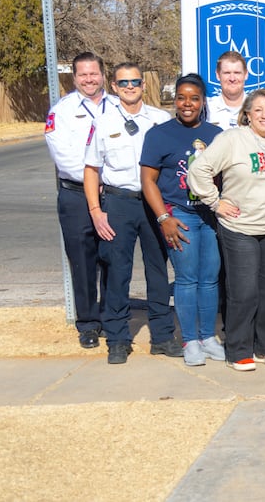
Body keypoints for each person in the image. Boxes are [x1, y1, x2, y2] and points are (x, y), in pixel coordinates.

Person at [83, 63, 179, 365]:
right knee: (117, 272)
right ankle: (117, 339)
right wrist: (96, 211)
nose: (130, 87)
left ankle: (162, 336)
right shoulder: (103, 122)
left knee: (158, 271)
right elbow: (91, 170)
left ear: (143, 85)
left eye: (135, 82)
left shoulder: (161, 120)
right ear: (114, 86)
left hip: (154, 203)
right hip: (118, 202)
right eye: (123, 82)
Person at [188, 89, 265, 372]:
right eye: (258, 110)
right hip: (239, 226)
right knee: (243, 291)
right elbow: (199, 170)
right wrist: (215, 202)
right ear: (246, 114)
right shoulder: (232, 139)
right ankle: (239, 349)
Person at [141, 73, 225, 367]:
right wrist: (164, 217)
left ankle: (208, 338)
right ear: (174, 100)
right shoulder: (159, 134)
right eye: (181, 97)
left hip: (209, 216)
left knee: (210, 279)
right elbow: (148, 180)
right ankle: (189, 340)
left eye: (194, 98)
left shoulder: (217, 134)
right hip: (179, 215)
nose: (187, 103)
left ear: (203, 101)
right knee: (187, 279)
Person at [45, 51, 113, 348]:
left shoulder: (118, 107)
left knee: (113, 258)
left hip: (112, 194)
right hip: (75, 195)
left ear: (102, 75)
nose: (89, 79)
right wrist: (93, 181)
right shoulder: (61, 111)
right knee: (83, 261)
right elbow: (65, 156)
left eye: (93, 73)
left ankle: (113, 317)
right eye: (83, 74)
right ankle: (88, 323)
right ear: (74, 78)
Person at [207, 50, 247, 130]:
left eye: (237, 73)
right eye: (227, 73)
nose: (232, 78)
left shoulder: (256, 107)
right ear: (218, 75)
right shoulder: (207, 108)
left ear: (246, 75)